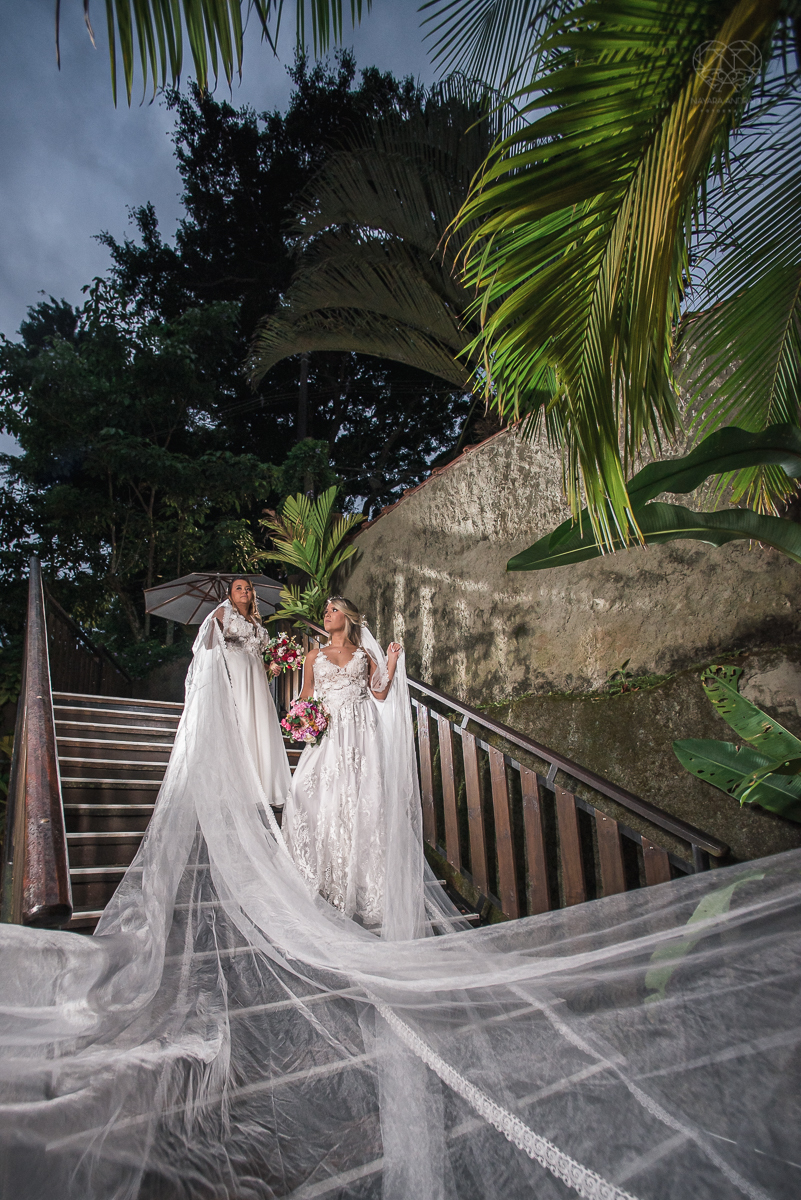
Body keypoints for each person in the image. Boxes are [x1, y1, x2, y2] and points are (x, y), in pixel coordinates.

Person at [282, 596, 402, 927]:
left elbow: (379, 693)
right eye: (326, 611)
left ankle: (361, 885)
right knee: (303, 792)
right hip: (328, 729)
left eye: (334, 610)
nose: (327, 614)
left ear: (346, 617)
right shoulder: (313, 655)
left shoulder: (363, 655)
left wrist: (390, 661)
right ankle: (318, 877)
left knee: (359, 800)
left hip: (361, 731)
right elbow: (307, 694)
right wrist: (298, 718)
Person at [194, 577, 291, 810]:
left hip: (257, 679)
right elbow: (208, 645)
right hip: (236, 676)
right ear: (230, 594)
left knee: (261, 726)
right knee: (243, 722)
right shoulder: (223, 613)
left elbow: (260, 655)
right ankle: (239, 785)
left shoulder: (257, 623)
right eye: (239, 588)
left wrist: (271, 665)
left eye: (248, 588)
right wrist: (213, 625)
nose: (244, 591)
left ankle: (265, 786)